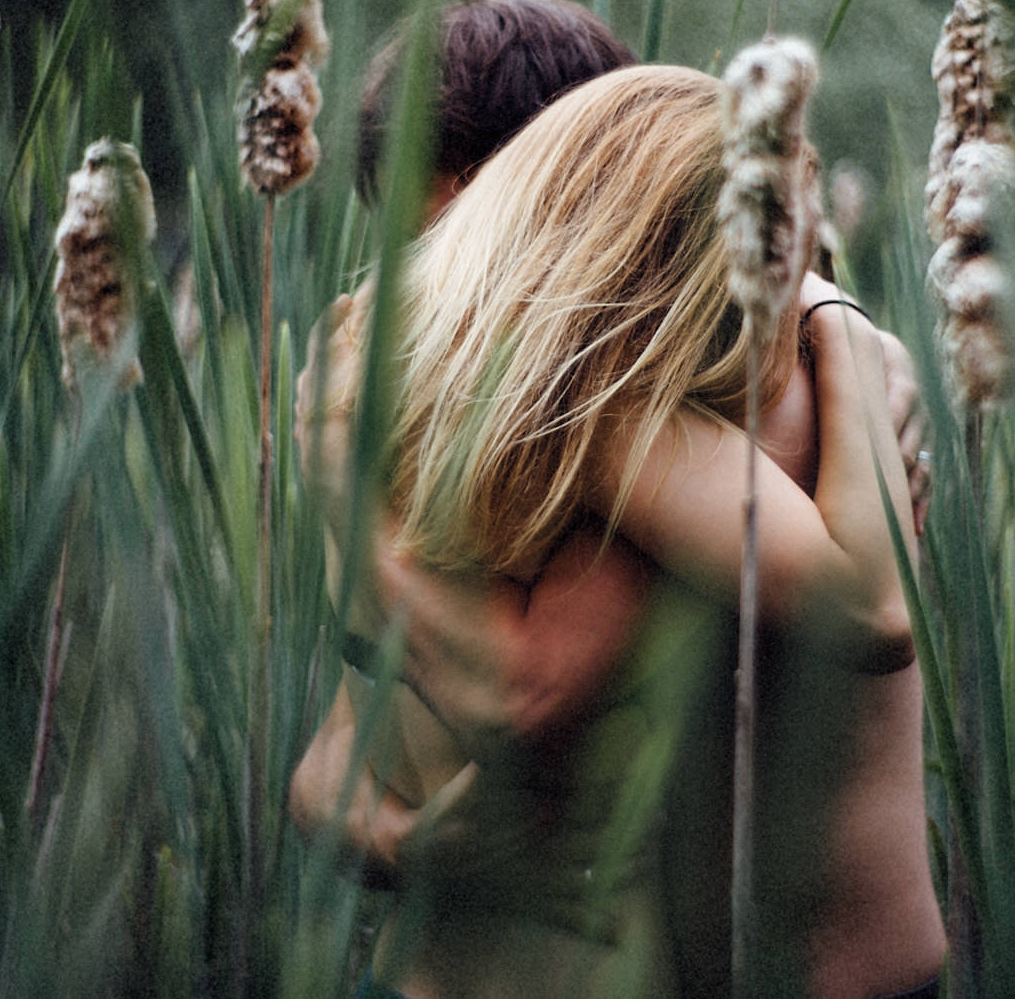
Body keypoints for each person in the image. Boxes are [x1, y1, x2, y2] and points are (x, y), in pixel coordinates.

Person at [295, 62, 919, 999]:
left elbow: (515, 693)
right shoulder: (522, 435)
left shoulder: (655, 420)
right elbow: (340, 746)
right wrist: (398, 837)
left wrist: (332, 470)